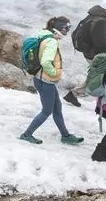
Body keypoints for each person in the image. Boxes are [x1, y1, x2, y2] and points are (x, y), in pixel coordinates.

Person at [19, 16, 84, 146]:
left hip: (43, 80)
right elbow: (45, 62)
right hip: (45, 81)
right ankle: (26, 134)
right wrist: (55, 73)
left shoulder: (45, 36)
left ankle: (65, 135)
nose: (68, 31)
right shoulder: (52, 42)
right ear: (61, 28)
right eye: (68, 28)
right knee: (46, 111)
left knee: (57, 109)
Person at [66, 0, 106, 107]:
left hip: (88, 51)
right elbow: (99, 43)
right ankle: (102, 101)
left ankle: (73, 94)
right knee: (98, 77)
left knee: (95, 75)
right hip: (95, 54)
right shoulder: (101, 20)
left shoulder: (93, 15)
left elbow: (95, 36)